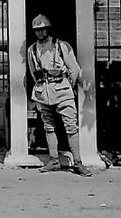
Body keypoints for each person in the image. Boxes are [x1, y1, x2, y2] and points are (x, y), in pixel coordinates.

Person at [25, 13, 90, 177]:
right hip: (42, 92)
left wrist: (68, 86)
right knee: (48, 126)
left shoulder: (62, 46)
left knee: (71, 126)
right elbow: (33, 73)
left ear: (48, 29)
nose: (40, 33)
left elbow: (74, 69)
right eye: (37, 30)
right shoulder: (32, 49)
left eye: (43, 29)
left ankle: (78, 162)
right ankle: (53, 160)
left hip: (62, 90)